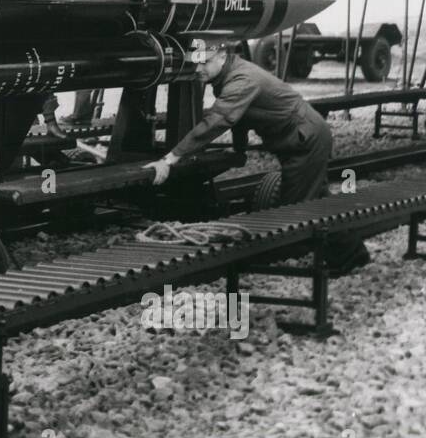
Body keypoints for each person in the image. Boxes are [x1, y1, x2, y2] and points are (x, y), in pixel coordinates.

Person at [143, 39, 371, 274]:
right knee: (316, 200)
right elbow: (240, 116)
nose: (198, 69)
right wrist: (239, 149)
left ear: (222, 56)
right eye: (195, 64)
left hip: (305, 141)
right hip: (301, 138)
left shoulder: (241, 80)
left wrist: (171, 158)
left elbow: (219, 120)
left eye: (204, 63)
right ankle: (351, 253)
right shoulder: (228, 75)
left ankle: (332, 259)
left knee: (297, 209)